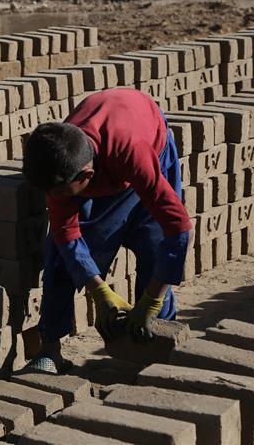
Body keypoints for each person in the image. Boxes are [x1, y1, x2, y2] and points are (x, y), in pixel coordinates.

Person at [21, 88, 192, 373]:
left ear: (87, 177)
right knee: (62, 257)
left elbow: (179, 229)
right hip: (105, 152)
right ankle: (50, 347)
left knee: (155, 244)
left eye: (62, 193)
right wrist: (98, 290)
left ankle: (156, 342)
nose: (56, 198)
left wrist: (152, 300)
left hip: (149, 144)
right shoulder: (60, 167)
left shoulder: (133, 153)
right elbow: (67, 235)